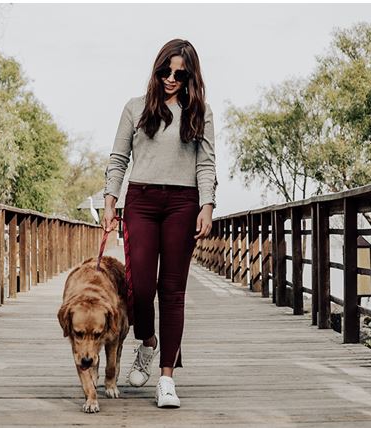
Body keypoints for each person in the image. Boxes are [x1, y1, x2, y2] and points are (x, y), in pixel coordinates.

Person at [102, 38, 217, 409]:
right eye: (165, 70)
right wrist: (109, 201)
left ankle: (167, 378)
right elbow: (118, 158)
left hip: (183, 203)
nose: (171, 78)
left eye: (180, 73)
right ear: (156, 68)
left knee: (172, 292)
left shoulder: (200, 112)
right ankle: (147, 342)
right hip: (141, 201)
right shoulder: (135, 108)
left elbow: (206, 164)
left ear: (189, 77)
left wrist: (207, 205)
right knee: (140, 288)